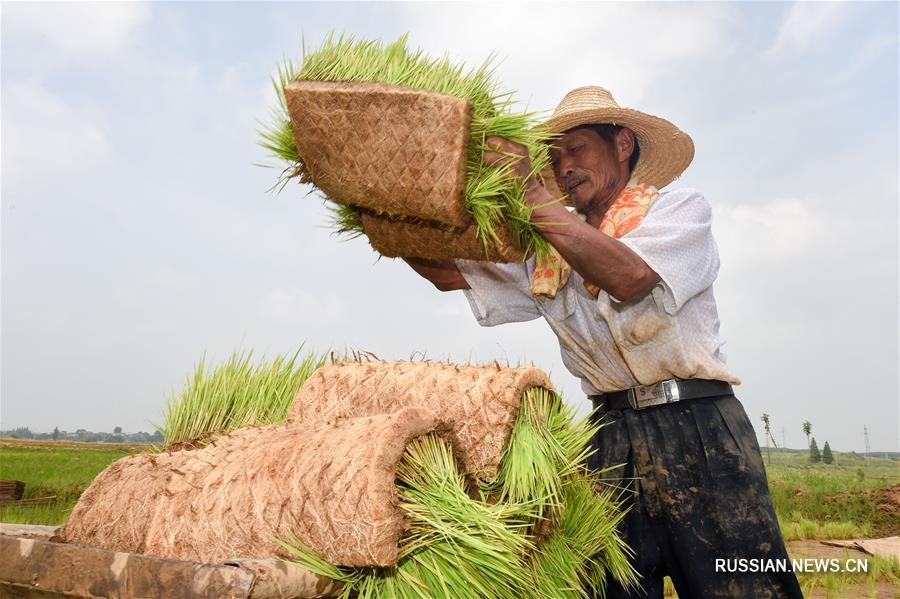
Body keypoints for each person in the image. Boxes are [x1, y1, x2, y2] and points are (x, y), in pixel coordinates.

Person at [405, 87, 802, 598]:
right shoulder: (548, 252)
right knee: (609, 588)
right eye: (554, 157)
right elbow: (447, 274)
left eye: (578, 149)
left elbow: (629, 275)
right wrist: (387, 212)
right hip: (609, 438)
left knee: (741, 588)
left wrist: (532, 195)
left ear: (623, 145)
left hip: (699, 431)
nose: (564, 166)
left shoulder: (676, 212)